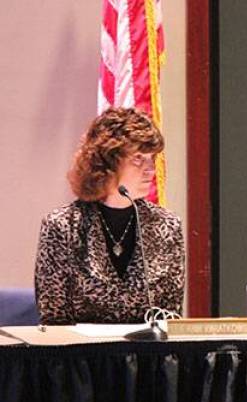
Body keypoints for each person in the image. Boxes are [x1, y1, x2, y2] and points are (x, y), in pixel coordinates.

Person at [34, 108, 185, 325]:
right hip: (80, 356)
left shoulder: (167, 226)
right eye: (138, 159)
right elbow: (53, 319)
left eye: (152, 158)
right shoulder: (62, 227)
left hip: (147, 357)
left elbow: (170, 316)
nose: (150, 169)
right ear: (108, 163)